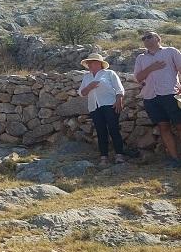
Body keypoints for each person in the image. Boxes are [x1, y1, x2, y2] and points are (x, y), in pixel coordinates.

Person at [133, 31, 181, 167]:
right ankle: (175, 159)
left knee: (180, 125)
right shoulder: (141, 58)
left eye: (149, 36)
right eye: (144, 38)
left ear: (158, 38)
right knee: (163, 127)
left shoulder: (171, 51)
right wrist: (151, 68)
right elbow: (138, 78)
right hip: (151, 97)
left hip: (170, 94)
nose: (146, 39)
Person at [78, 53, 127, 166]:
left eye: (92, 62)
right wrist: (90, 86)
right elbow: (81, 93)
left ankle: (119, 155)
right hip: (94, 106)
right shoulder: (87, 77)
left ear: (99, 63)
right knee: (100, 131)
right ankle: (103, 157)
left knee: (114, 129)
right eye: (88, 63)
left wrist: (119, 100)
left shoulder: (109, 73)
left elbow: (119, 89)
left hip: (110, 104)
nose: (90, 64)